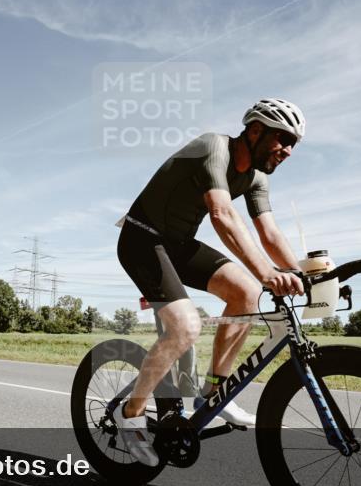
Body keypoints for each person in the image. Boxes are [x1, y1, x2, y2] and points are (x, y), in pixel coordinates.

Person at [114, 98, 307, 465]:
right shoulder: (212, 147)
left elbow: (268, 232)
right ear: (255, 131)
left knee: (246, 293)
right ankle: (130, 414)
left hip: (178, 244)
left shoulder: (256, 177)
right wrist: (267, 273)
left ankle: (212, 395)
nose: (288, 151)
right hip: (142, 238)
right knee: (185, 329)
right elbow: (222, 214)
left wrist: (300, 273)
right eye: (283, 139)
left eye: (294, 144)